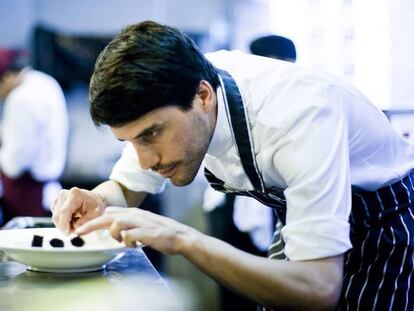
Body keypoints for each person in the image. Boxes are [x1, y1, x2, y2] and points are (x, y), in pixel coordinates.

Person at [51, 21, 414, 310]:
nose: (145, 159)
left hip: (384, 223)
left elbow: (319, 288)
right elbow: (126, 188)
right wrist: (97, 200)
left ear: (203, 96)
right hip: (302, 215)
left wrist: (182, 238)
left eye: (150, 135)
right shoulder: (172, 94)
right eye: (130, 141)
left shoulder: (299, 117)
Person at [202, 34, 297, 310]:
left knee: (269, 283)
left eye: (288, 66)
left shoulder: (295, 102)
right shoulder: (231, 90)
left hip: (272, 204)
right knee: (233, 287)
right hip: (227, 205)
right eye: (276, 64)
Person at [0, 48, 68, 224]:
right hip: (47, 190)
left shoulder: (20, 98)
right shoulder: (44, 81)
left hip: (29, 194)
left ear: (7, 77)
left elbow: (16, 163)